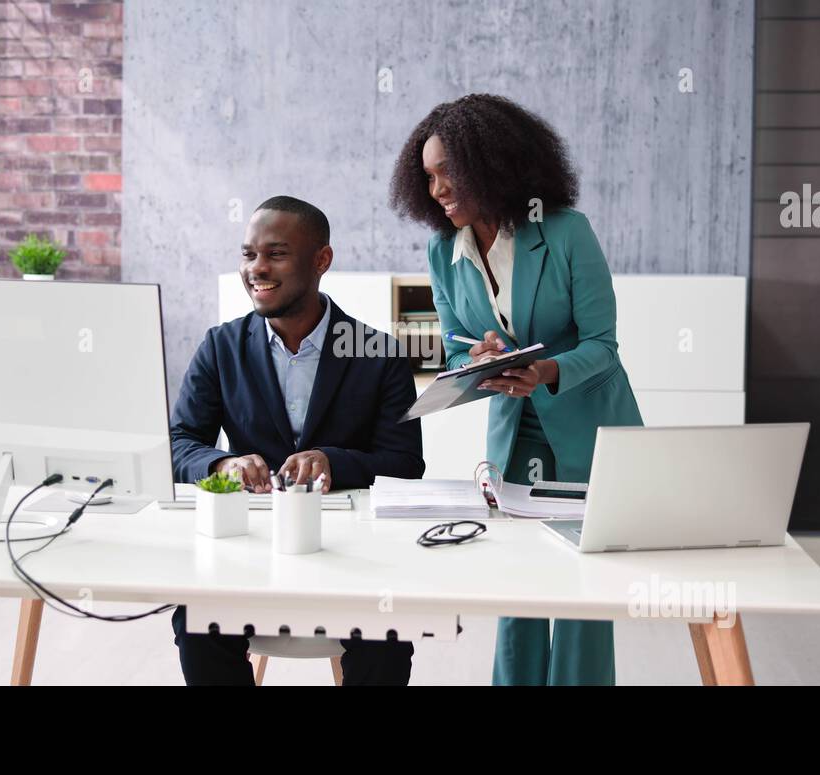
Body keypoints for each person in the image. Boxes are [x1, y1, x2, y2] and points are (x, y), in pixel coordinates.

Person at [389, 94, 644, 686]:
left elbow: (603, 346)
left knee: (583, 594)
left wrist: (543, 371)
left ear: (492, 163)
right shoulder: (441, 251)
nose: (437, 189)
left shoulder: (565, 233)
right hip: (514, 431)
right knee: (519, 583)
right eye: (427, 178)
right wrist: (476, 358)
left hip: (586, 429)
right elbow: (454, 347)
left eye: (448, 171)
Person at [169, 195, 424, 685]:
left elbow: (405, 464)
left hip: (355, 557)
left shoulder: (378, 353)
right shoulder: (220, 347)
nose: (256, 269)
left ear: (322, 260)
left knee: (388, 634)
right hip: (248, 550)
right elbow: (180, 443)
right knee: (196, 621)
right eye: (248, 255)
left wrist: (332, 460)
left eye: (275, 254)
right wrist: (222, 465)